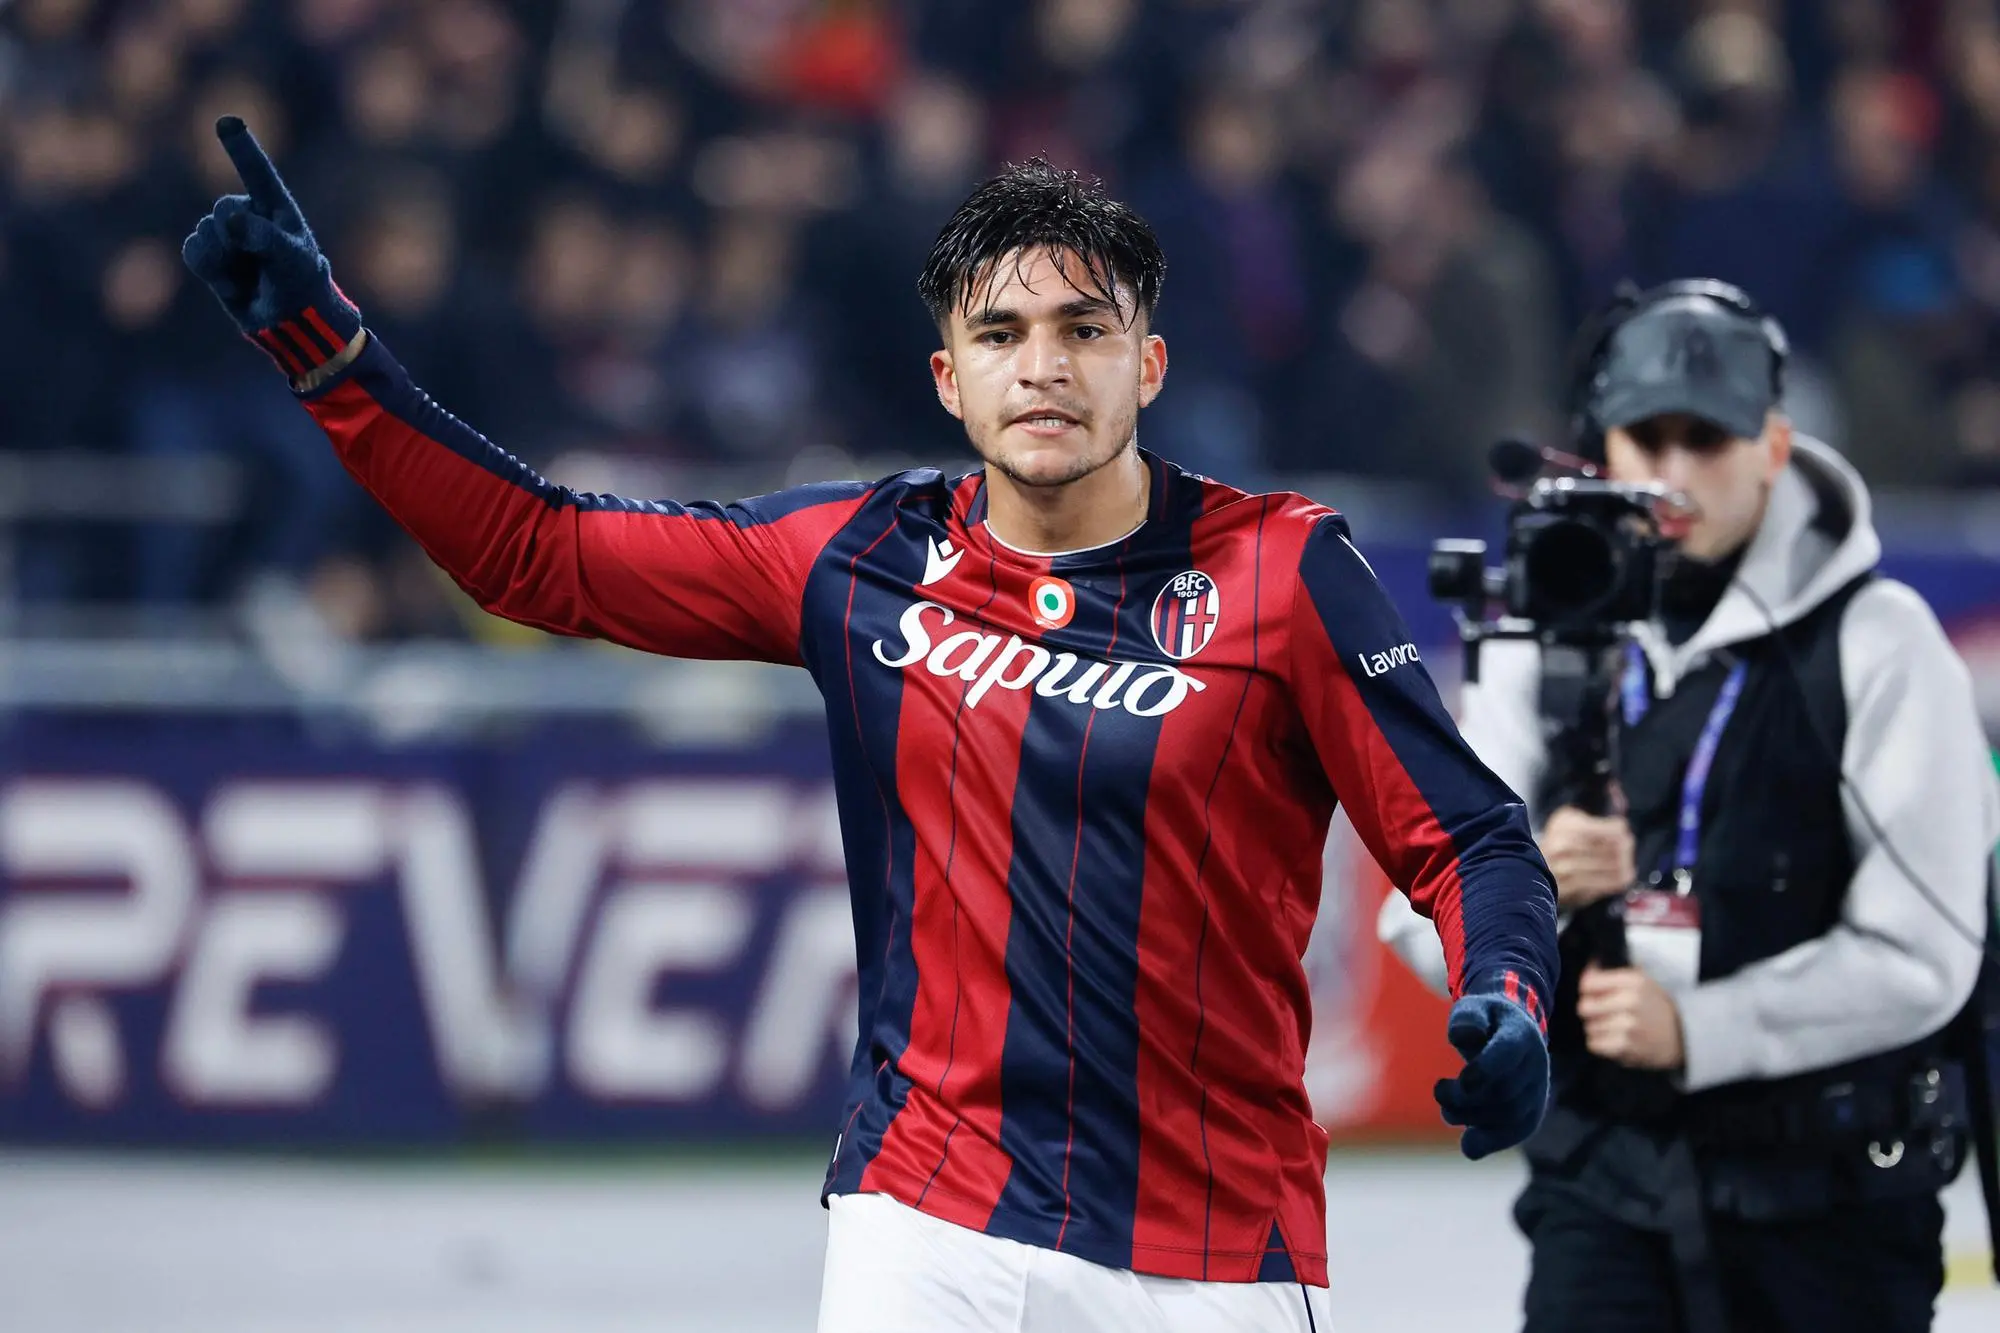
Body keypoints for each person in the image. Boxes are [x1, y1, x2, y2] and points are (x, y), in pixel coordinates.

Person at [181, 117, 1560, 1332]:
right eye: (1002, 335)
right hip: (925, 1220)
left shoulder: (1292, 572)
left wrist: (1507, 991)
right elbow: (536, 553)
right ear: (949, 378)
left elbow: (1472, 838)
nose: (1045, 368)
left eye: (1084, 331)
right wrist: (330, 351)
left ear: (1146, 363)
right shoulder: (861, 553)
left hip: (1208, 1253)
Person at [1380, 278, 2000, 1333]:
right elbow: (1413, 909)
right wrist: (1519, 890)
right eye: (1644, 436)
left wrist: (1699, 1028)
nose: (1671, 473)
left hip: (1833, 1205)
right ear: (1601, 447)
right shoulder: (1541, 631)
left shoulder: (1877, 637)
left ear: (1769, 444)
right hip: (1605, 1189)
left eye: (1704, 439)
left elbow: (1929, 951)